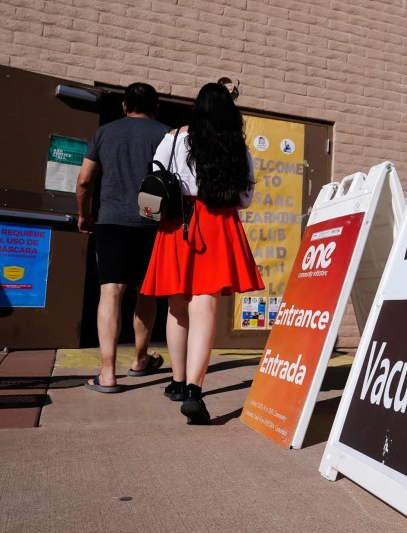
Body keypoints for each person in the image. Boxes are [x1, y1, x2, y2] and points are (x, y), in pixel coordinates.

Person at [141, 82, 264, 425]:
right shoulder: (235, 146)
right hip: (217, 223)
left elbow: (153, 179)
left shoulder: (175, 137)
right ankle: (195, 390)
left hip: (177, 221)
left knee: (177, 304)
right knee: (205, 306)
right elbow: (244, 199)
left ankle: (177, 382)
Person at [76, 82, 168, 393]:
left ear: (125, 106)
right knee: (147, 292)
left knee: (111, 292)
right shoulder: (166, 135)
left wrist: (84, 214)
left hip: (112, 222)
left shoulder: (105, 133)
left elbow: (85, 181)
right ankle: (140, 360)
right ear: (155, 108)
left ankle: (107, 374)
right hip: (152, 222)